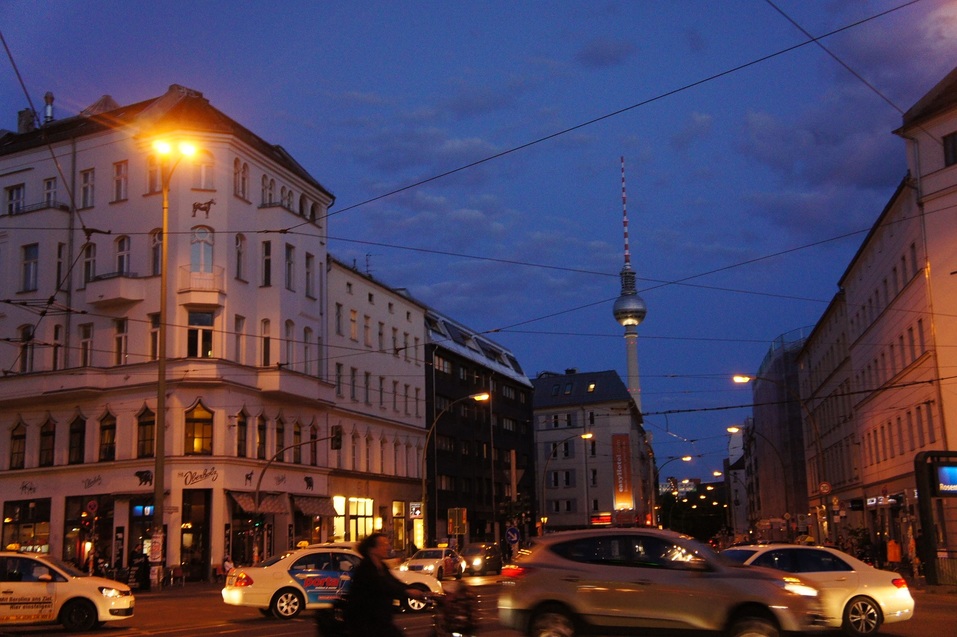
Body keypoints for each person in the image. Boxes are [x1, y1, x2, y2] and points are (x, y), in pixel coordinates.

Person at [344, 532, 426, 637]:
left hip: (381, 620)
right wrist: (407, 592)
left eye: (387, 544)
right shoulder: (366, 568)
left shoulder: (381, 566)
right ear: (372, 549)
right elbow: (383, 586)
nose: (388, 548)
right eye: (383, 545)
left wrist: (418, 591)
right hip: (367, 622)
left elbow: (394, 582)